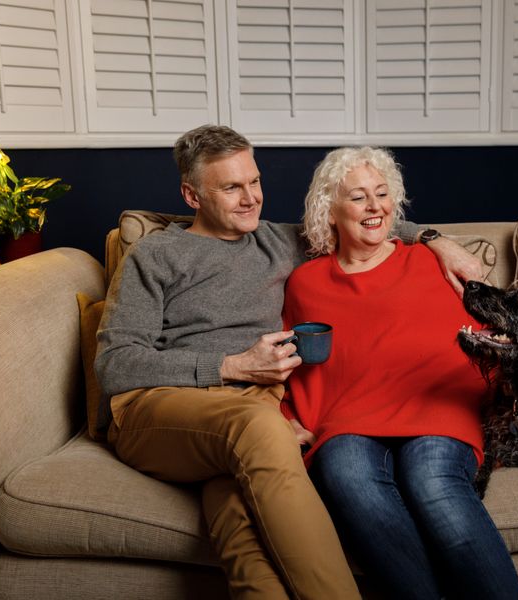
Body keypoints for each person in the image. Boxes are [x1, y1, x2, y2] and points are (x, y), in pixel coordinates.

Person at [94, 125, 480, 600]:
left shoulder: (276, 242)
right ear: (191, 195)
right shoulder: (155, 254)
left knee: (243, 532)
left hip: (251, 407)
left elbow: (363, 218)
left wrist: (435, 237)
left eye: (254, 182)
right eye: (231, 187)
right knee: (260, 431)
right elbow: (116, 365)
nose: (250, 198)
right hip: (161, 406)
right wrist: (231, 367)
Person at [281, 146, 518, 599]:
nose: (374, 207)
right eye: (358, 197)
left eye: (382, 194)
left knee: (432, 481)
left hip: (439, 404)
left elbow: (506, 318)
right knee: (345, 476)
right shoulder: (306, 282)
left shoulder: (428, 261)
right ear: (329, 209)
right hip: (349, 420)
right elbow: (294, 361)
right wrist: (284, 420)